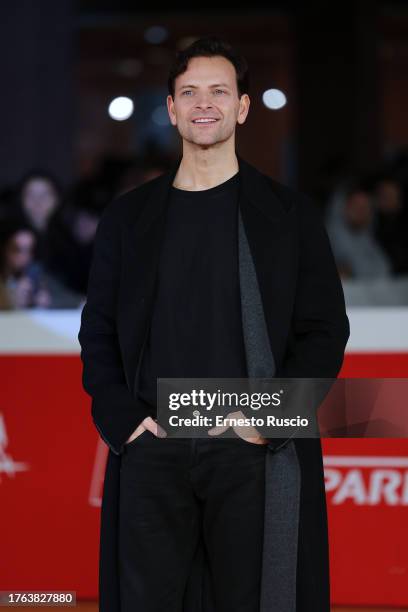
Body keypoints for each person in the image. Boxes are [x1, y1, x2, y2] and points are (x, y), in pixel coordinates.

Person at [78, 36, 350, 612]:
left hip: (252, 446)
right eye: (190, 92)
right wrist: (127, 424)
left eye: (219, 91)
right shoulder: (129, 219)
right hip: (154, 445)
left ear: (242, 106)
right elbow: (98, 330)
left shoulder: (289, 215)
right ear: (172, 109)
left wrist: (263, 422)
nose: (205, 103)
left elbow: (325, 332)